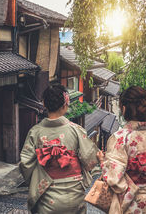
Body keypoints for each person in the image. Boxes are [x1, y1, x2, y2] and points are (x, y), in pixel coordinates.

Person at [20, 85, 100, 214]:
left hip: (46, 194)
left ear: (44, 104)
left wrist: (37, 177)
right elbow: (90, 159)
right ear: (65, 105)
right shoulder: (76, 130)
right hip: (74, 195)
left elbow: (26, 164)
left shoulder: (35, 132)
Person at [97, 86, 146, 214]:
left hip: (135, 203)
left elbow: (114, 179)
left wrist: (103, 161)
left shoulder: (120, 137)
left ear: (124, 109)